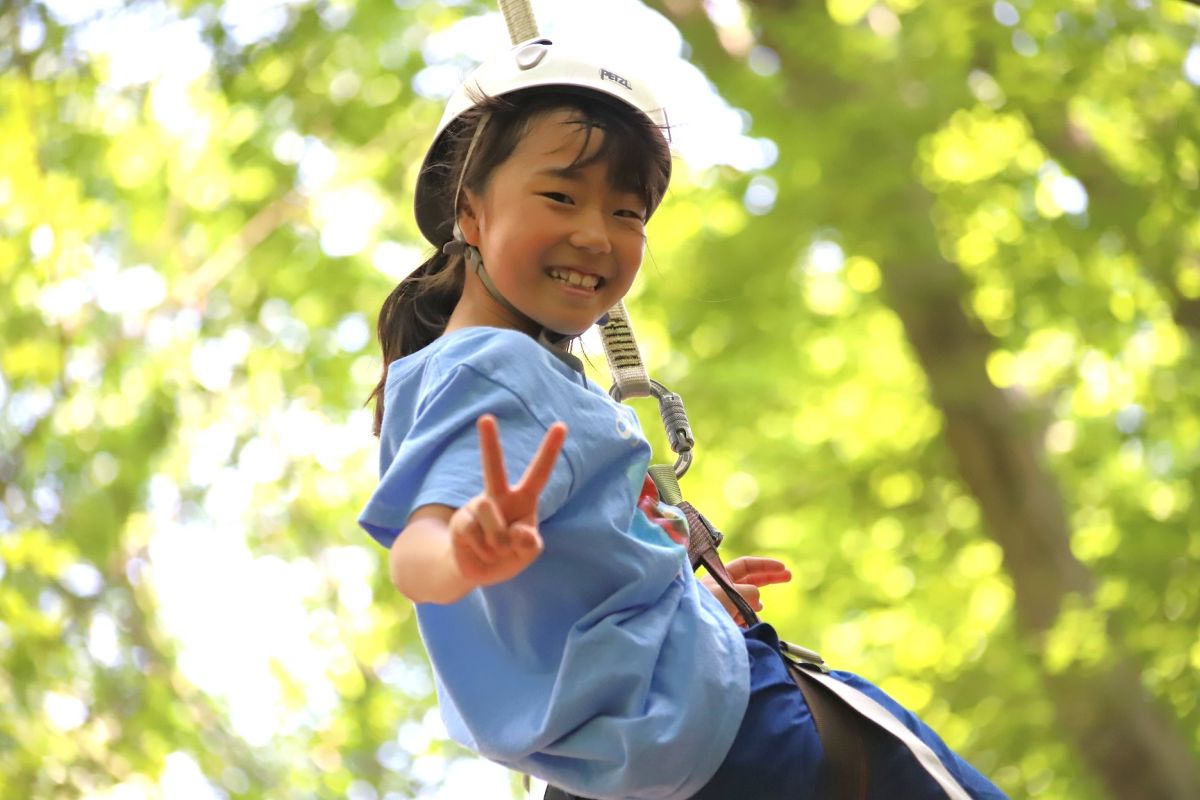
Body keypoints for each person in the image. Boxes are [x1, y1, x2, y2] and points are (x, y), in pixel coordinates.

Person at [359, 38, 1007, 800]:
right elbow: (417, 555)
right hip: (748, 732)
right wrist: (464, 553)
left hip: (636, 770)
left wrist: (687, 602)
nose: (596, 234)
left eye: (626, 212)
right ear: (468, 211)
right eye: (561, 197)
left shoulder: (472, 376)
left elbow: (572, 585)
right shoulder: (491, 368)